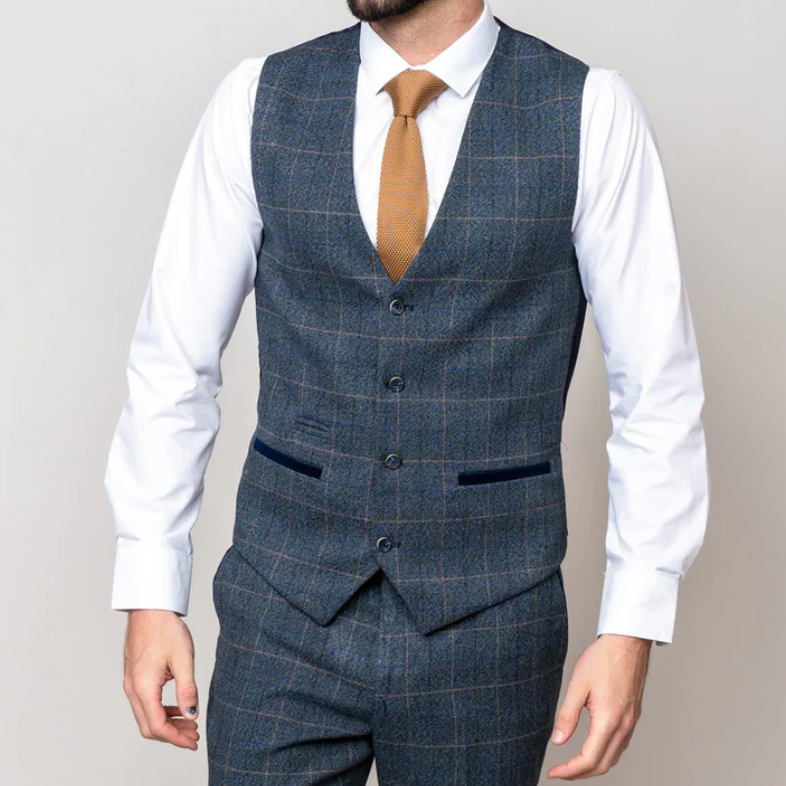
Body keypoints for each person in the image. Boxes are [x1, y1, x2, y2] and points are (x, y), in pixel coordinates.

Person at [104, 0, 710, 782]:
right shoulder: (258, 97)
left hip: (489, 620)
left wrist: (633, 624)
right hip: (284, 604)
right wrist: (151, 589)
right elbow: (172, 360)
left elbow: (656, 388)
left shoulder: (590, 111)